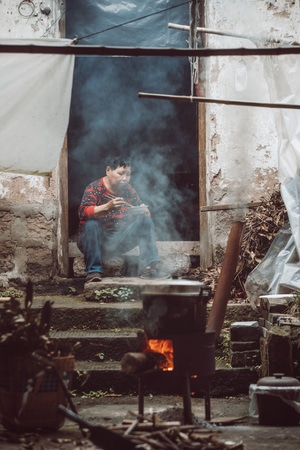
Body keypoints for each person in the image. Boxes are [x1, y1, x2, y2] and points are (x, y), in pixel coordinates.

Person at [77, 155, 169, 282]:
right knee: (91, 224)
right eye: (120, 173)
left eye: (128, 175)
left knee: (145, 221)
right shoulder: (94, 188)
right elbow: (82, 212)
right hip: (96, 242)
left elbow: (143, 210)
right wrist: (107, 206)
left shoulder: (128, 190)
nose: (125, 178)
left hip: (119, 241)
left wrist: (143, 211)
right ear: (108, 170)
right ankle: (94, 272)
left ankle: (150, 268)